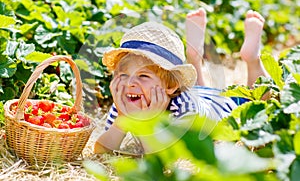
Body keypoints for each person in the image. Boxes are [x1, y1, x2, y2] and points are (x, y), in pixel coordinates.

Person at [94, 8, 268, 154]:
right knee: (197, 90)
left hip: (219, 105)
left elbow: (161, 157)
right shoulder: (126, 102)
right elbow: (101, 151)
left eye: (143, 76)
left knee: (258, 100)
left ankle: (252, 59)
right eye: (123, 75)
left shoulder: (185, 108)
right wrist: (122, 120)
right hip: (196, 94)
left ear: (169, 86)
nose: (130, 83)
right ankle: (194, 56)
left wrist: (147, 121)